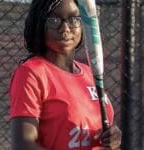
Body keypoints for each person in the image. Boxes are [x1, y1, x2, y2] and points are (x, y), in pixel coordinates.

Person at [10, 0, 122, 149]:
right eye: (54, 20)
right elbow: (23, 144)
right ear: (40, 23)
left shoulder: (89, 73)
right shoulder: (31, 73)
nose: (65, 28)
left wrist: (113, 136)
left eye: (74, 19)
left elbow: (100, 125)